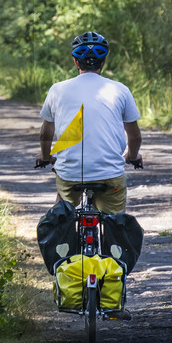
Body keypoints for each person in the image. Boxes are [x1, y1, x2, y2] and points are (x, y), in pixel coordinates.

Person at [35, 31, 143, 215]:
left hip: (69, 174)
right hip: (110, 174)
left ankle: (62, 238)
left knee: (62, 213)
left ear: (76, 61)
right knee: (115, 221)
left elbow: (46, 135)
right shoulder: (120, 90)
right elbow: (134, 137)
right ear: (103, 61)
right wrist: (131, 156)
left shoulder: (57, 90)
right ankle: (114, 241)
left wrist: (46, 157)